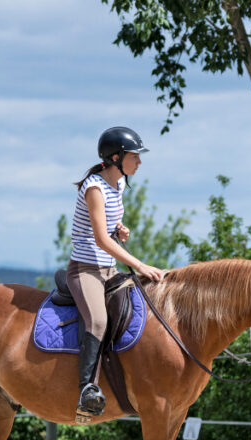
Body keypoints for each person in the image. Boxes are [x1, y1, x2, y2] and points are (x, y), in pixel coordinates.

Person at [69, 126, 165, 423]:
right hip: (85, 270)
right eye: (134, 156)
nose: (139, 162)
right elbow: (100, 239)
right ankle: (86, 390)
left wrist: (119, 230)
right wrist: (139, 264)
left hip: (108, 270)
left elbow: (109, 229)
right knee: (98, 320)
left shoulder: (119, 185)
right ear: (116, 157)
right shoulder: (94, 187)